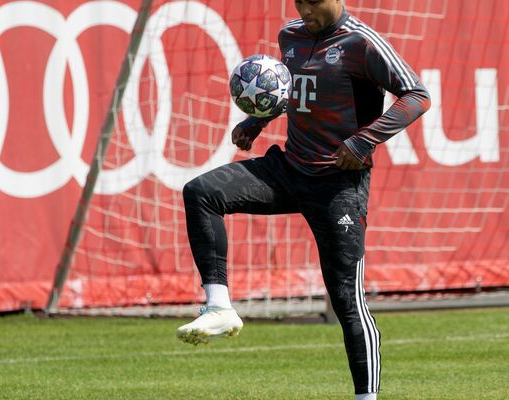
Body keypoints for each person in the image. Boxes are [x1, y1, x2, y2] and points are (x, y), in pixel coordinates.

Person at [176, 0, 430, 398]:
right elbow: (290, 92)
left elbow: (416, 95)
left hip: (338, 185)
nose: (304, 9)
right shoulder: (290, 35)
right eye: (299, 1)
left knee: (348, 304)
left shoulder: (362, 43)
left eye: (312, 2)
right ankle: (219, 307)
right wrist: (256, 121)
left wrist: (363, 142)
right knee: (201, 192)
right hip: (290, 170)